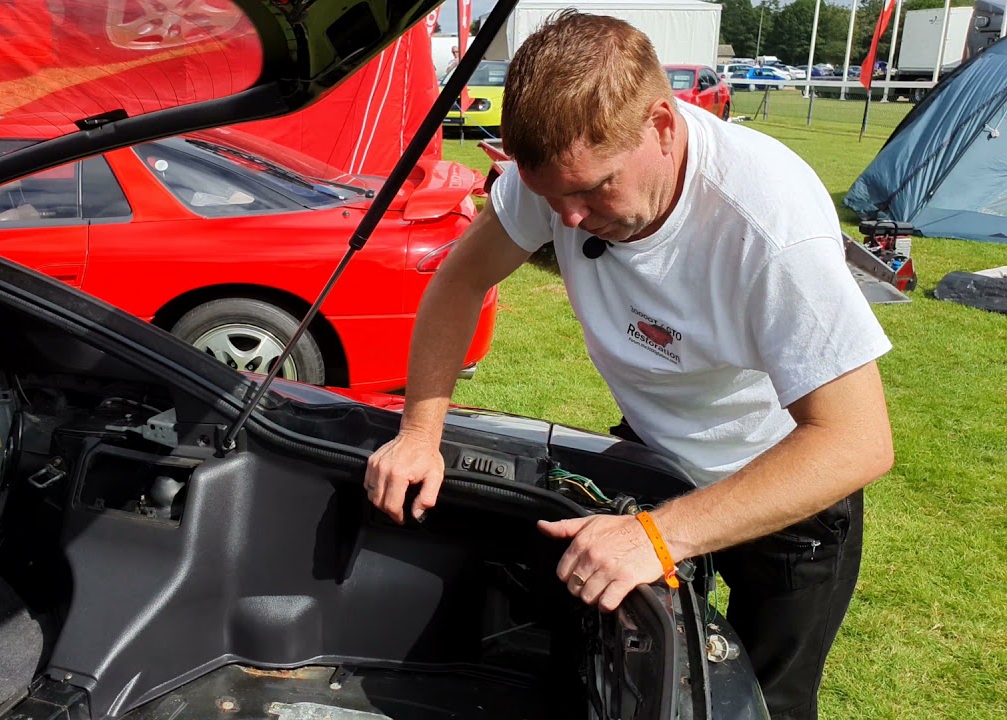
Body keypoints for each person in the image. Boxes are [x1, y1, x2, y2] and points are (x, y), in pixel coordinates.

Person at [364, 11, 893, 720]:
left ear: (662, 126)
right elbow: (459, 282)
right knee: (632, 673)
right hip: (654, 454)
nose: (569, 219)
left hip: (783, 484)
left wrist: (657, 537)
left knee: (764, 702)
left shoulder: (769, 225)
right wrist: (418, 434)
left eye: (594, 190)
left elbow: (856, 440)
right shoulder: (561, 177)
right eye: (552, 197)